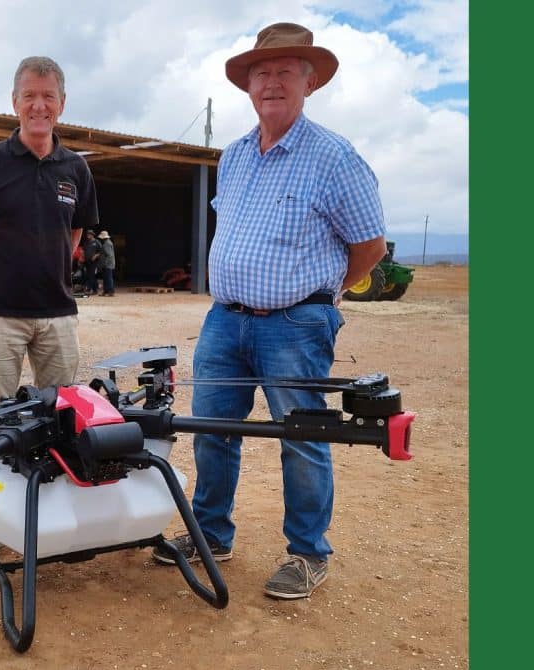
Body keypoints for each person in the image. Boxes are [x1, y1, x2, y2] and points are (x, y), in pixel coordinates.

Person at [151, 23, 387, 600]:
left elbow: (370, 248)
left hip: (295, 324)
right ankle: (212, 531)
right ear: (248, 85)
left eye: (286, 71)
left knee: (302, 437)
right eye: (262, 72)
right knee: (209, 431)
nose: (272, 82)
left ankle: (308, 553)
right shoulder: (232, 157)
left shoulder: (334, 157)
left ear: (310, 82)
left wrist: (321, 298)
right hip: (224, 319)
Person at [0, 55, 99, 555]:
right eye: (29, 96)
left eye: (48, 96)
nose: (39, 105)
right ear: (14, 102)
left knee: (61, 421)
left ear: (61, 104)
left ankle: (53, 520)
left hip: (58, 314)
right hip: (1, 317)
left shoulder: (75, 169)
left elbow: (73, 233)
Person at [96, 230, 116, 296]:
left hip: (108, 264)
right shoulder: (107, 243)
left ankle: (110, 291)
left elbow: (109, 255)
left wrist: (105, 264)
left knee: (108, 278)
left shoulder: (107, 244)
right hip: (107, 264)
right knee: (106, 278)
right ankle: (106, 291)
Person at [82, 229, 100, 294]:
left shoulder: (96, 242)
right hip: (87, 261)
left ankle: (89, 289)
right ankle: (95, 290)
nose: (88, 235)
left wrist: (95, 255)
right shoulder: (86, 242)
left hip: (94, 262)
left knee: (91, 275)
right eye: (87, 234)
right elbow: (83, 251)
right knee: (90, 275)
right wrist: (82, 258)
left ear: (92, 235)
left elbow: (101, 251)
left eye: (89, 234)